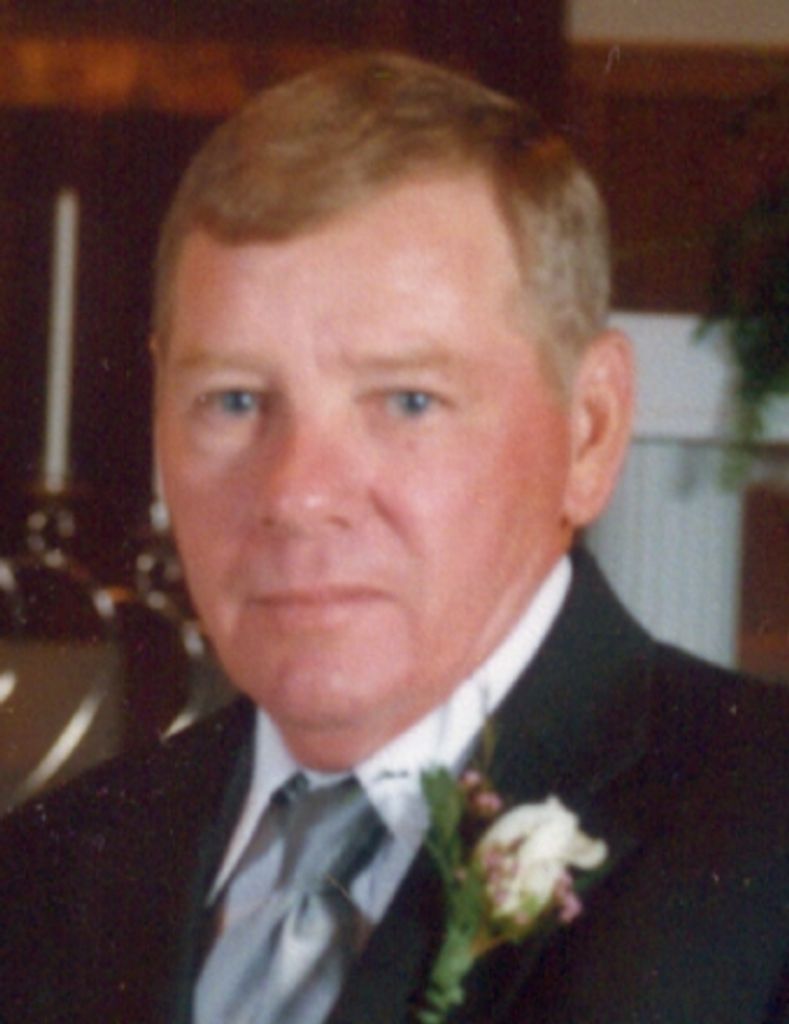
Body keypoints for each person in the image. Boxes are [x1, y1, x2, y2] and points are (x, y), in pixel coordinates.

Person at [1, 51, 787, 1024]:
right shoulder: (40, 874)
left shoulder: (763, 842)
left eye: (407, 400)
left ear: (589, 429)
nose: (297, 495)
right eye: (233, 400)